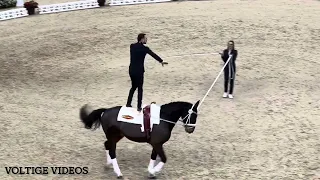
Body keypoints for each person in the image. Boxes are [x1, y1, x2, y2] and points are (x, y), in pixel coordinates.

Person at [126, 33, 168, 112]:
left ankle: (128, 103)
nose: (146, 40)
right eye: (145, 38)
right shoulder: (145, 49)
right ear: (141, 39)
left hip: (131, 70)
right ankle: (139, 107)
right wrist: (161, 61)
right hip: (139, 71)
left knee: (133, 87)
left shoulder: (132, 46)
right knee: (140, 88)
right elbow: (153, 55)